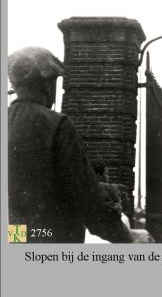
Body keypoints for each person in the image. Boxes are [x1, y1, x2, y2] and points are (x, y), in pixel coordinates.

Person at [8, 46, 150, 243]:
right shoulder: (57, 125)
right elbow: (84, 196)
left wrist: (99, 187)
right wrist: (126, 235)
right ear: (48, 85)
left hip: (13, 238)